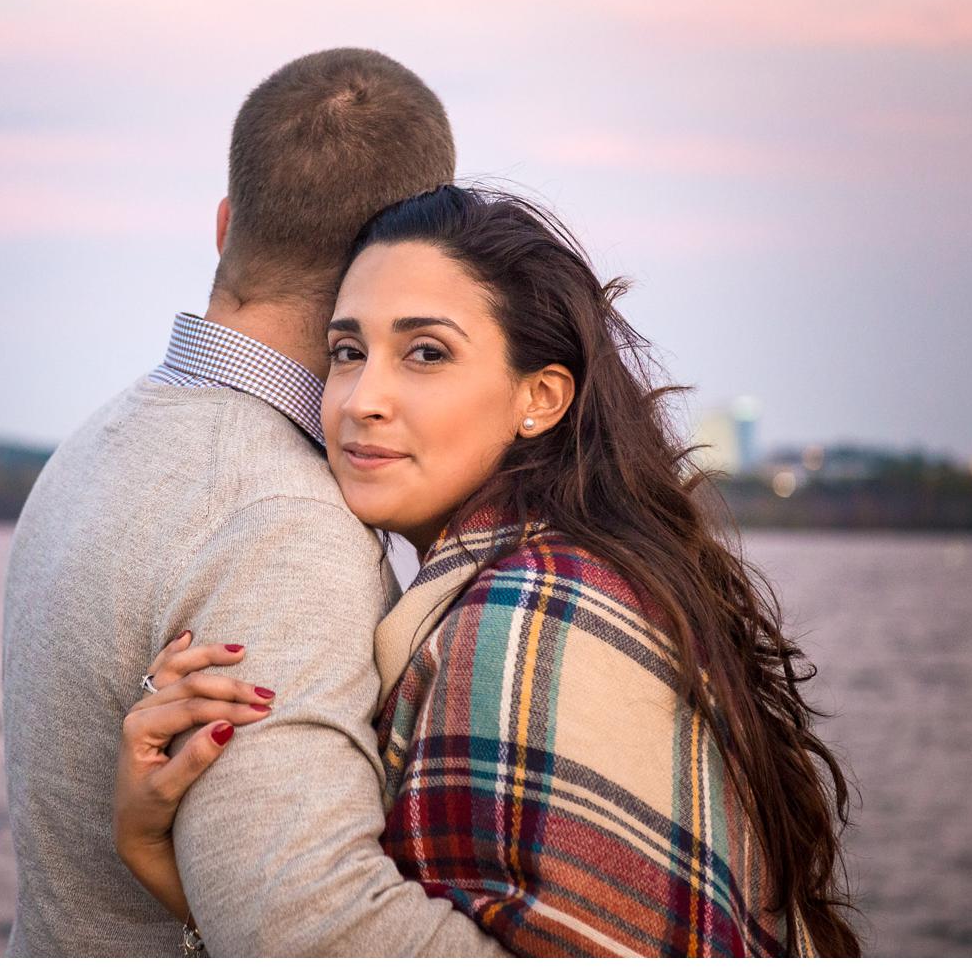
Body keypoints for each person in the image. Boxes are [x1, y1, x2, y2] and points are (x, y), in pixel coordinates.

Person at [111, 186, 857, 955]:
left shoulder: (531, 609)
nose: (363, 399)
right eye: (346, 352)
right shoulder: (563, 569)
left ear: (539, 397)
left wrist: (156, 855)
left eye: (425, 353)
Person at [1, 48, 504, 956]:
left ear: (227, 221)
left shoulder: (99, 440)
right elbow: (309, 930)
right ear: (396, 258)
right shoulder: (282, 520)